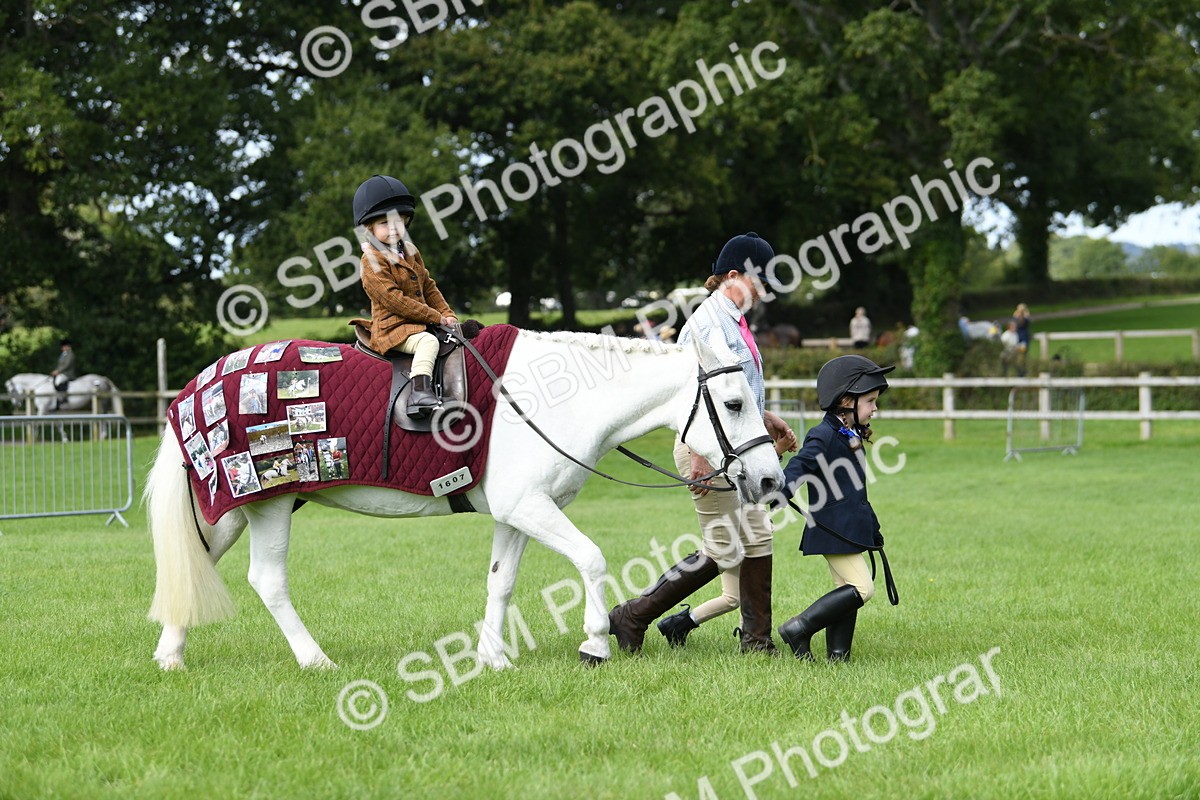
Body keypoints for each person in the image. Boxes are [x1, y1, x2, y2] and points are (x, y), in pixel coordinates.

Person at [608, 233, 798, 655]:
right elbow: (699, 395)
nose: (765, 287)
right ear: (734, 275)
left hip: (732, 446)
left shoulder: (734, 319)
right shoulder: (709, 322)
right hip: (709, 449)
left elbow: (735, 391)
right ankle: (632, 616)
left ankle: (757, 641)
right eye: (759, 277)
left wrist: (768, 418)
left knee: (758, 535)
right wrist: (698, 456)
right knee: (722, 547)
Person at [775, 354, 893, 662]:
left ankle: (838, 655)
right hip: (833, 527)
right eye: (870, 401)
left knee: (845, 589)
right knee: (862, 589)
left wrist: (871, 527)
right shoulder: (823, 434)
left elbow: (855, 490)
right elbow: (800, 466)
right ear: (845, 401)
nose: (875, 409)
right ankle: (798, 628)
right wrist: (781, 490)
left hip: (850, 526)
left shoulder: (850, 433)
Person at [350, 174, 457, 419]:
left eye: (399, 221)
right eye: (385, 224)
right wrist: (435, 317)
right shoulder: (371, 261)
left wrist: (448, 314)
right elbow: (394, 299)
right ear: (370, 228)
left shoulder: (410, 251)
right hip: (393, 329)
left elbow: (428, 286)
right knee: (428, 342)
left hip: (418, 323)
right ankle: (418, 395)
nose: (394, 228)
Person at [50, 338, 77, 409]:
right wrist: (56, 371)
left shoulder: (70, 354)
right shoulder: (63, 354)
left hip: (68, 373)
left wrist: (58, 371)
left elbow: (67, 365)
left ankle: (63, 398)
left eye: (64, 346)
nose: (62, 348)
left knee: (59, 382)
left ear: (67, 346)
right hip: (62, 373)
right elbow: (60, 365)